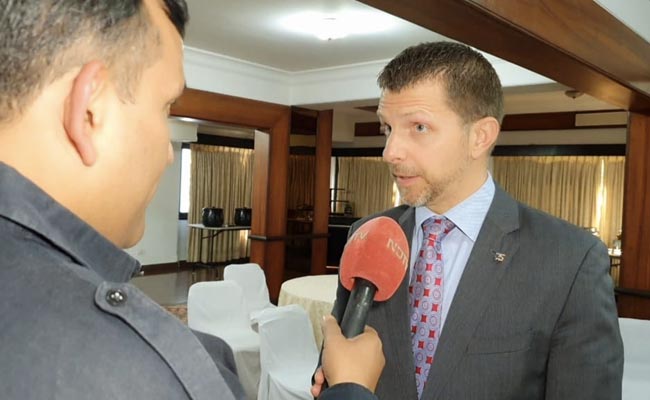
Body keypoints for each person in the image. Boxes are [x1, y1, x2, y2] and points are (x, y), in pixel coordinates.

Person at [0, 1, 384, 399]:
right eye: (165, 107)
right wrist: (351, 388)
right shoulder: (136, 370)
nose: (168, 154)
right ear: (90, 110)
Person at [313, 41, 624, 399]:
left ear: (480, 137)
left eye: (419, 127)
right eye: (387, 128)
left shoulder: (571, 259)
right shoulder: (368, 234)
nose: (390, 152)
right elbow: (337, 368)